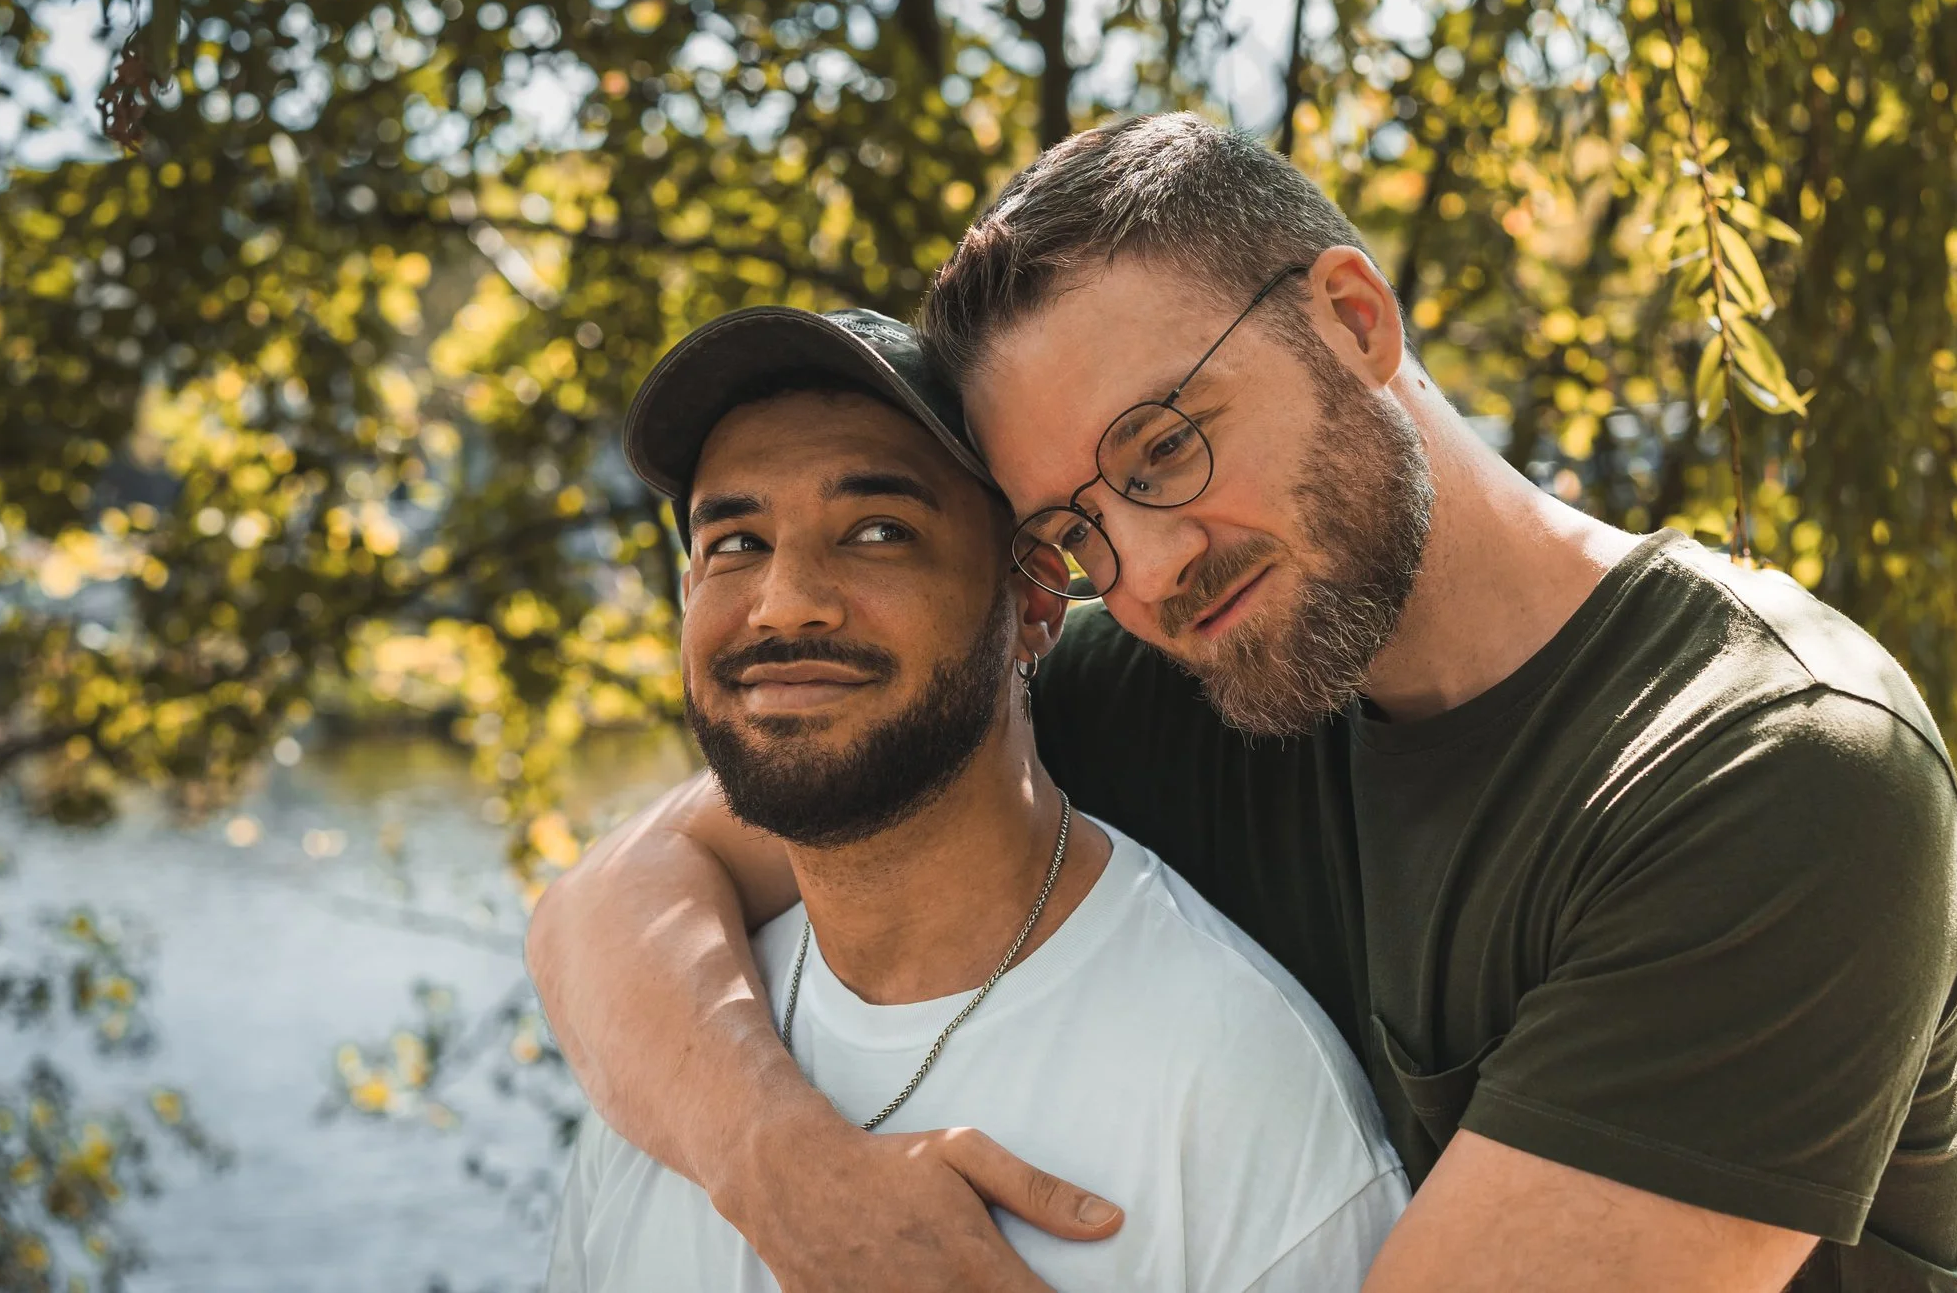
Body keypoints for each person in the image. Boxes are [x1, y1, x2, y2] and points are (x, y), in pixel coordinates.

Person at [530, 115, 1957, 1293]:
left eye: (1163, 446)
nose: (1146, 568)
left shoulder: (1776, 770)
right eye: (1074, 528)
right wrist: (797, 1179)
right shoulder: (1185, 668)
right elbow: (615, 894)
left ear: (1353, 319)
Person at [544, 305, 1407, 1292]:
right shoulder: (671, 1062)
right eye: (735, 541)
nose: (784, 600)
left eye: (878, 530)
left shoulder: (1231, 1089)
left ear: (1036, 600)